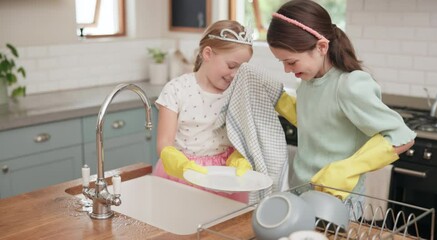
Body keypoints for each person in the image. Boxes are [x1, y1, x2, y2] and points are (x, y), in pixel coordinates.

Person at [268, 0, 416, 201]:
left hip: (337, 199)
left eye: (291, 61)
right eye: (283, 62)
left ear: (321, 47)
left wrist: (349, 169)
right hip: (300, 190)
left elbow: (403, 137)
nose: (287, 69)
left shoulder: (350, 85)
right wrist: (279, 100)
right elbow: (320, 122)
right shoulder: (308, 82)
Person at [153, 20, 254, 203]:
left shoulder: (237, 92)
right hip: (183, 174)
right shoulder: (177, 89)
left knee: (225, 227)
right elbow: (164, 143)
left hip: (224, 175)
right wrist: (180, 165)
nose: (235, 74)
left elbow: (241, 135)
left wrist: (238, 156)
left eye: (241, 68)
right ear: (207, 53)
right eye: (231, 66)